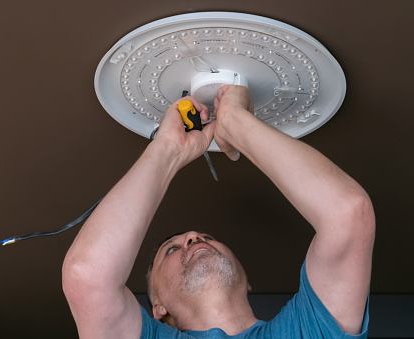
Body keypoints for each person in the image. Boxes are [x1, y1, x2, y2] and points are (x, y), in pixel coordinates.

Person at [62, 86, 375, 338]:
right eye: (172, 249)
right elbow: (88, 276)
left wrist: (235, 123)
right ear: (160, 307)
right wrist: (168, 150)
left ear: (246, 280)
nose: (195, 238)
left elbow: (347, 215)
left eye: (206, 238)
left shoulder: (305, 331)